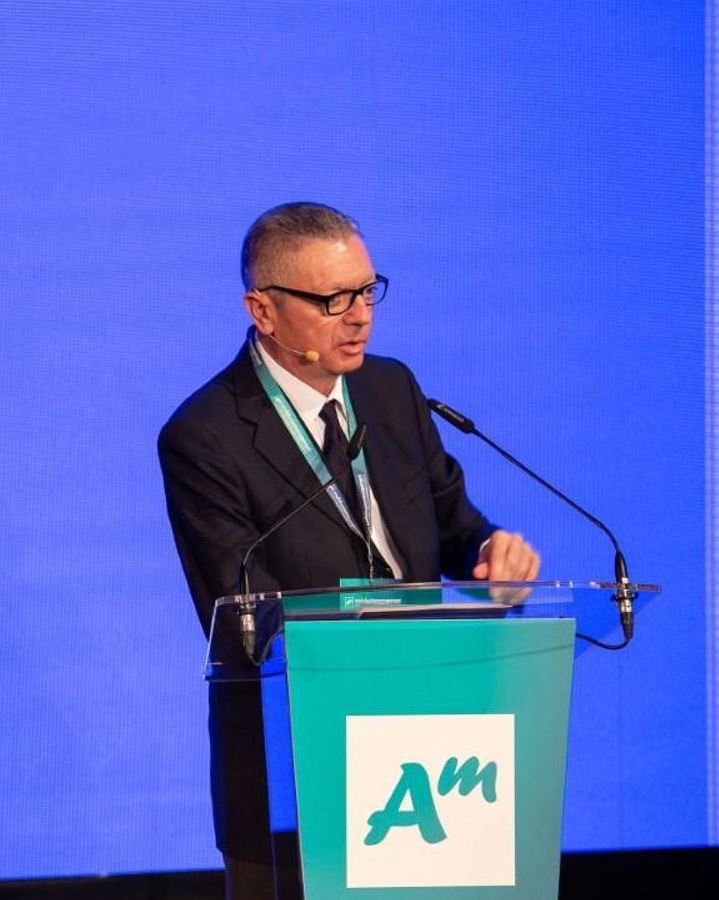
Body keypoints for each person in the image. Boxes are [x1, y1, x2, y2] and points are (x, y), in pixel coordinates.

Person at [156, 201, 540, 900]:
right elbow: (243, 617)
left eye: (367, 291)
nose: (360, 315)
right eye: (333, 300)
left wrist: (494, 551)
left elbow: (457, 527)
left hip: (437, 751)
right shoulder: (204, 435)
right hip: (300, 768)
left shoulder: (391, 391)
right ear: (263, 310)